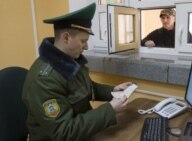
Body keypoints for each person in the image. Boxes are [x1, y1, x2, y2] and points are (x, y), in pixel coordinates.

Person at [22, 3, 132, 141]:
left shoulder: (69, 61)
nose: (86, 46)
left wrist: (114, 90)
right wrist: (110, 109)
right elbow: (64, 132)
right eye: (83, 41)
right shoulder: (44, 80)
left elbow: (87, 88)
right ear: (66, 38)